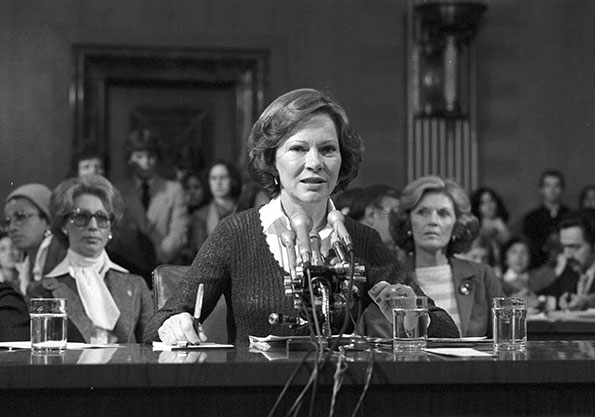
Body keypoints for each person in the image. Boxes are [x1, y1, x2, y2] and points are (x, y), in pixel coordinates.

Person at [143, 88, 459, 347]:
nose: (314, 163)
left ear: (342, 160)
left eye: (327, 150)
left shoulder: (361, 241)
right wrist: (175, 323)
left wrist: (415, 315)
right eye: (298, 149)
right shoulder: (236, 233)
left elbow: (447, 331)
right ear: (271, 160)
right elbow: (156, 325)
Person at [27, 175, 153, 343]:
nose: (93, 226)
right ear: (64, 225)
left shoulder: (136, 285)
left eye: (101, 218)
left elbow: (150, 348)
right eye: (81, 217)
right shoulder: (42, 290)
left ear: (110, 227)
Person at [389, 175, 504, 337]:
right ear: (407, 222)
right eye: (423, 212)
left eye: (443, 213)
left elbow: (505, 340)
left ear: (457, 225)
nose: (433, 221)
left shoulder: (483, 276)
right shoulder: (391, 278)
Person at [112, 129, 189, 281]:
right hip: (127, 268)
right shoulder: (117, 191)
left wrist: (157, 258)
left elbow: (179, 232)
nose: (145, 163)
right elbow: (118, 231)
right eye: (139, 157)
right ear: (130, 159)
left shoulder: (174, 189)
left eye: (150, 157)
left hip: (164, 268)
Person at [3, 183, 67, 295]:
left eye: (21, 217)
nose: (12, 227)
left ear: (48, 220)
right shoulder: (27, 264)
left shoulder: (64, 254)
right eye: (8, 221)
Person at [538, 211, 595, 310]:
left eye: (573, 247)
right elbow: (548, 293)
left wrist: (587, 301)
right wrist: (536, 300)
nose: (567, 254)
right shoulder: (572, 268)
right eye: (564, 246)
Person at [523, 170, 571, 269]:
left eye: (556, 186)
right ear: (541, 189)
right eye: (548, 186)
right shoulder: (531, 218)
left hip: (568, 266)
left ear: (562, 189)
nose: (552, 190)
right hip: (538, 268)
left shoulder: (571, 216)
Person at [192, 160, 243, 249]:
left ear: (232, 180)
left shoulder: (244, 211)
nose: (218, 183)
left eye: (223, 177)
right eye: (214, 178)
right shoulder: (200, 215)